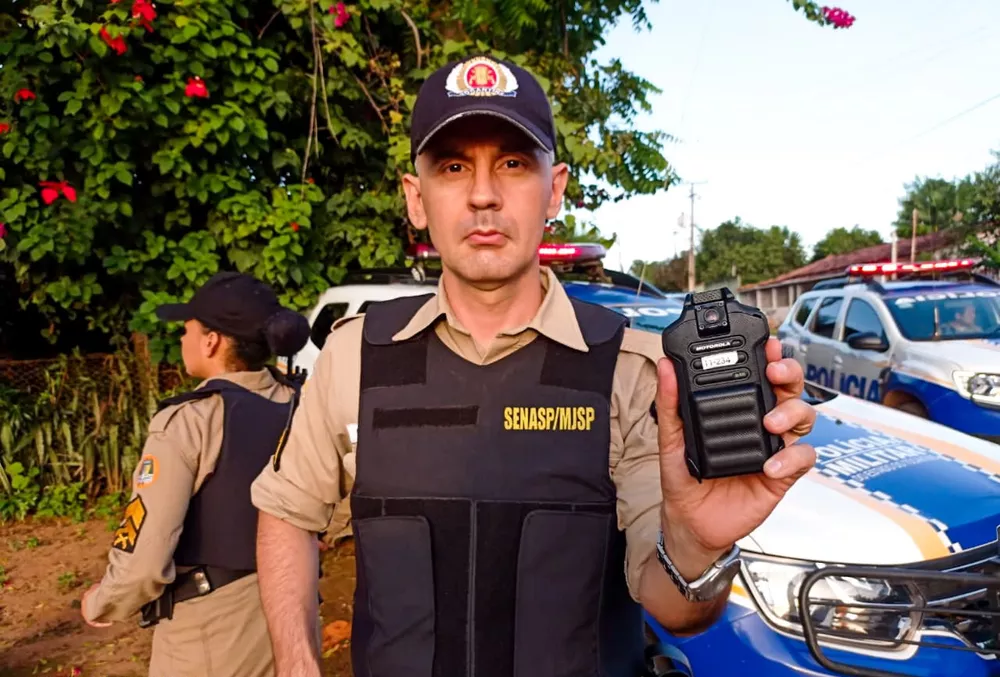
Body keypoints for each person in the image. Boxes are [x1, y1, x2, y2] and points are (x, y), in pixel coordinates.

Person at [250, 54, 818, 677]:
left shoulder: (631, 370)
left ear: (554, 190)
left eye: (514, 164)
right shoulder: (354, 356)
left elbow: (674, 606)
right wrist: (296, 663)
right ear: (416, 199)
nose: (484, 194)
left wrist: (701, 544)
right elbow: (287, 513)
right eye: (453, 166)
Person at [81, 271, 311, 677]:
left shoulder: (190, 421)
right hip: (296, 611)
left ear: (212, 340)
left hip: (213, 632)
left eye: (187, 329)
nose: (182, 340)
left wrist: (105, 600)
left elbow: (145, 553)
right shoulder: (301, 403)